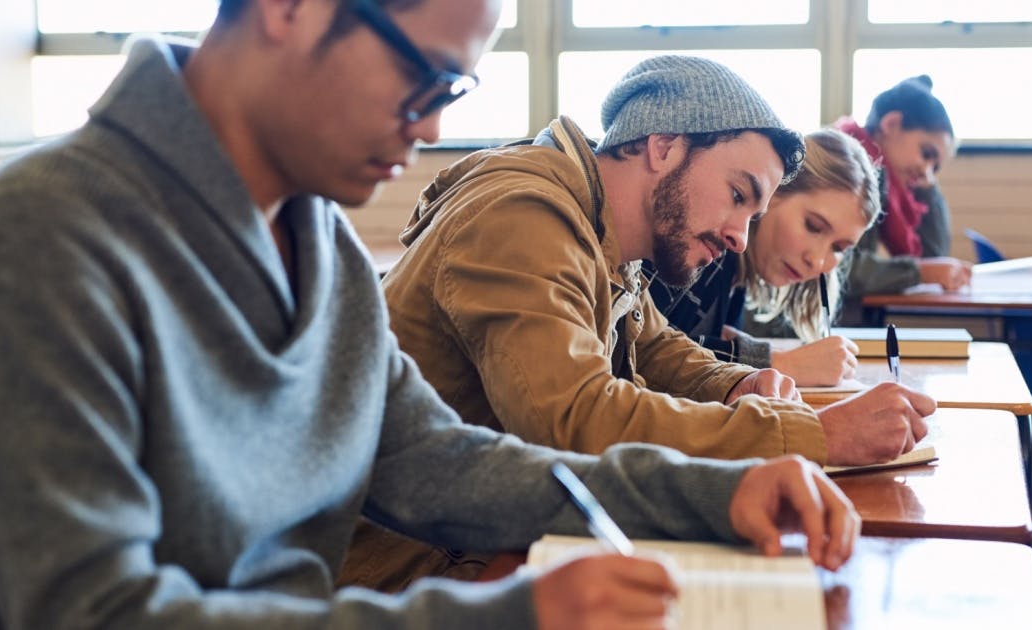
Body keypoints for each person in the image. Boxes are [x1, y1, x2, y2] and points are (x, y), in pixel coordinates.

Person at [0, 1, 862, 628]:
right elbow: (94, 614)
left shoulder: (321, 245)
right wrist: (506, 617)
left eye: (449, 93)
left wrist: (713, 493)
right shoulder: (42, 237)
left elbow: (434, 461)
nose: (427, 128)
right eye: (420, 77)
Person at [352, 55, 933, 589]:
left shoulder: (606, 234)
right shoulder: (522, 214)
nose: (739, 237)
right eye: (737, 194)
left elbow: (657, 348)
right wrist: (817, 436)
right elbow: (575, 416)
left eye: (755, 213)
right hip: (414, 569)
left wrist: (739, 383)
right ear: (664, 146)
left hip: (490, 538)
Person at [647, 128, 880, 387]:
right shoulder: (706, 247)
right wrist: (783, 364)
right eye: (813, 226)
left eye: (838, 248)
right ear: (773, 191)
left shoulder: (736, 278)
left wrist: (745, 349)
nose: (817, 262)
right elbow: (641, 351)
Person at [834, 75, 973, 305]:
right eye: (927, 154)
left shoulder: (890, 186)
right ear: (891, 124)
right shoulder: (849, 167)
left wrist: (928, 188)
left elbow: (933, 258)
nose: (927, 171)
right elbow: (841, 269)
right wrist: (919, 272)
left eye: (935, 167)